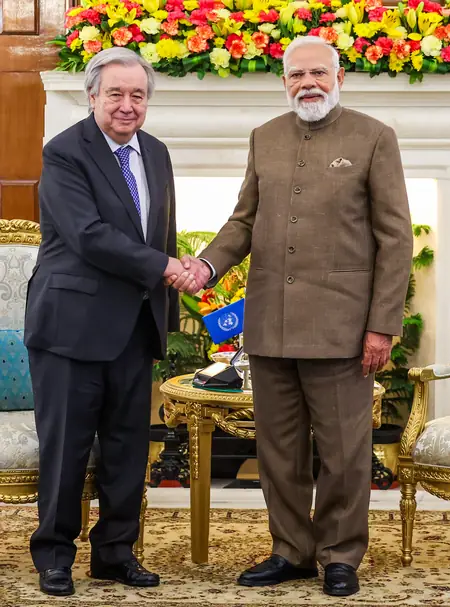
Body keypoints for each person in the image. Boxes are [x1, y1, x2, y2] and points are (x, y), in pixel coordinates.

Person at [176, 36, 413, 596]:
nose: (308, 83)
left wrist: (382, 325)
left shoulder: (374, 137)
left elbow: (396, 238)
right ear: (284, 82)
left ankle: (340, 555)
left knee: (344, 454)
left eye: (318, 73)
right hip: (270, 324)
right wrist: (206, 265)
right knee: (278, 453)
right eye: (296, 75)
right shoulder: (265, 137)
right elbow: (243, 221)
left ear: (339, 78)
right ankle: (291, 551)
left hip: (343, 328)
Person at [24, 47, 196, 597]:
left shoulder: (157, 152)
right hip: (71, 327)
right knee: (67, 449)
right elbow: (89, 235)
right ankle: (54, 556)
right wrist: (167, 267)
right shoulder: (64, 152)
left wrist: (169, 295)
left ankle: (116, 554)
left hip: (135, 326)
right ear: (92, 95)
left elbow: (162, 231)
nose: (127, 105)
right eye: (116, 93)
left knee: (127, 448)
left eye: (137, 95)